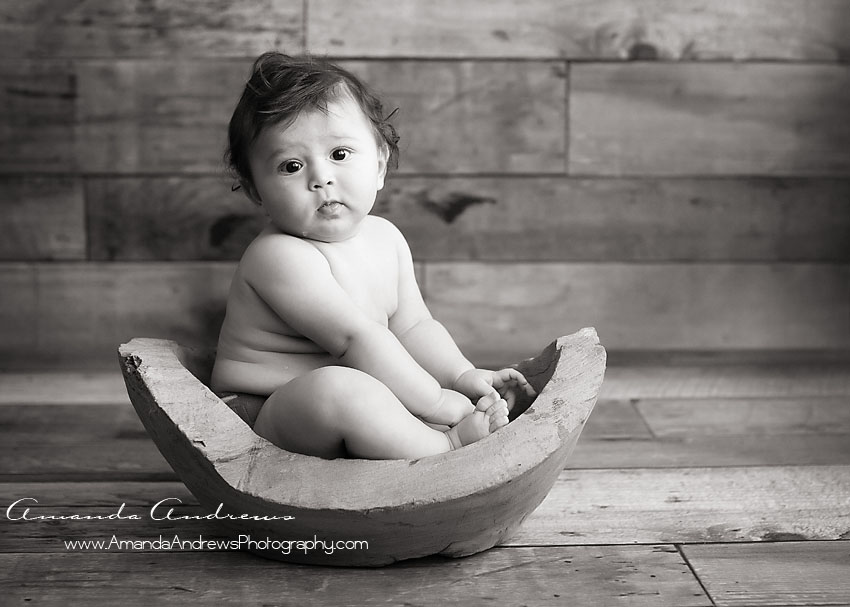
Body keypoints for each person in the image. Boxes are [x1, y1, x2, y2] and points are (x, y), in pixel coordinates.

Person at [211, 52, 534, 460]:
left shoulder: (386, 238)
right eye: (291, 165)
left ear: (380, 163)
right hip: (264, 411)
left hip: (355, 388)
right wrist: (435, 402)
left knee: (369, 388)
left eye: (339, 154)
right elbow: (354, 340)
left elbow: (414, 326)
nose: (321, 178)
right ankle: (445, 446)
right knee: (341, 389)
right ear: (257, 191)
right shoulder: (278, 256)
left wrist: (461, 375)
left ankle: (421, 431)